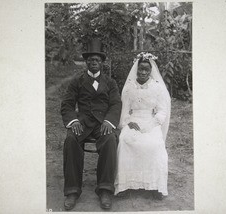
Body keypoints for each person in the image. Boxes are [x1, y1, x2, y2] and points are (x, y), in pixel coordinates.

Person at [61, 39, 122, 210]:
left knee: (110, 140)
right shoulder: (77, 81)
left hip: (102, 124)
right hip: (82, 123)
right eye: (90, 60)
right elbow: (67, 104)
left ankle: (105, 189)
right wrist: (73, 121)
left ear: (102, 63)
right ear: (86, 62)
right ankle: (72, 191)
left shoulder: (110, 83)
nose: (93, 62)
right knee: (71, 140)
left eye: (97, 60)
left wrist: (109, 121)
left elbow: (116, 104)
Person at [114, 52, 171, 199]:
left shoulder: (157, 88)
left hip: (151, 121)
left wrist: (152, 124)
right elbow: (124, 110)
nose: (143, 72)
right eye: (141, 69)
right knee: (126, 141)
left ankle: (154, 185)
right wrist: (127, 122)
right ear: (136, 69)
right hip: (133, 121)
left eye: (146, 69)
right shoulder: (129, 88)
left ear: (151, 71)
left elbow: (162, 111)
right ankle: (126, 184)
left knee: (155, 144)